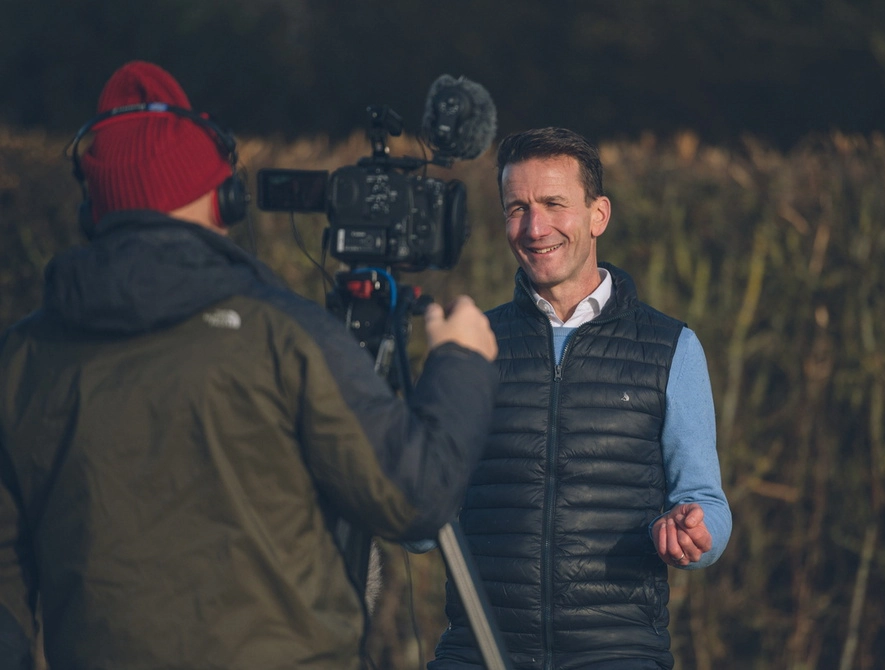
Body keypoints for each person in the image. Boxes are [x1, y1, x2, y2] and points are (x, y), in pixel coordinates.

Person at [0, 61, 498, 670]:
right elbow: (417, 495)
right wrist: (461, 362)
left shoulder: (21, 359)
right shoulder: (281, 335)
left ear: (94, 208)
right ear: (222, 197)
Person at [429, 127, 732, 670]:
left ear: (598, 215)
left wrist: (695, 531)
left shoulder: (672, 348)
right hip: (477, 652)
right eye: (516, 207)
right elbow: (421, 517)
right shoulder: (472, 344)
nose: (535, 227)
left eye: (553, 204)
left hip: (618, 653)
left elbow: (707, 504)